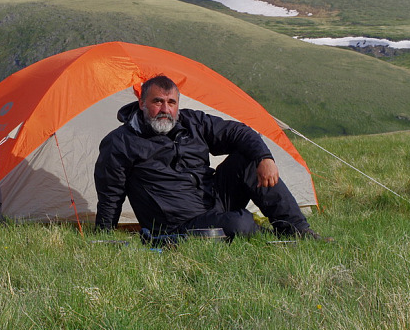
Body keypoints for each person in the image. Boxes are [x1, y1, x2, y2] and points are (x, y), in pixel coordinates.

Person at [94, 74, 329, 241]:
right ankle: (258, 236)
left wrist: (264, 158)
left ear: (178, 105)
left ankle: (297, 232)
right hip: (176, 224)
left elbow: (239, 132)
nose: (165, 109)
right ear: (142, 103)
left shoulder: (192, 122)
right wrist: (104, 235)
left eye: (171, 102)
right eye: (157, 102)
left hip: (212, 201)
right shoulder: (120, 142)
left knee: (248, 160)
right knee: (240, 222)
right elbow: (110, 194)